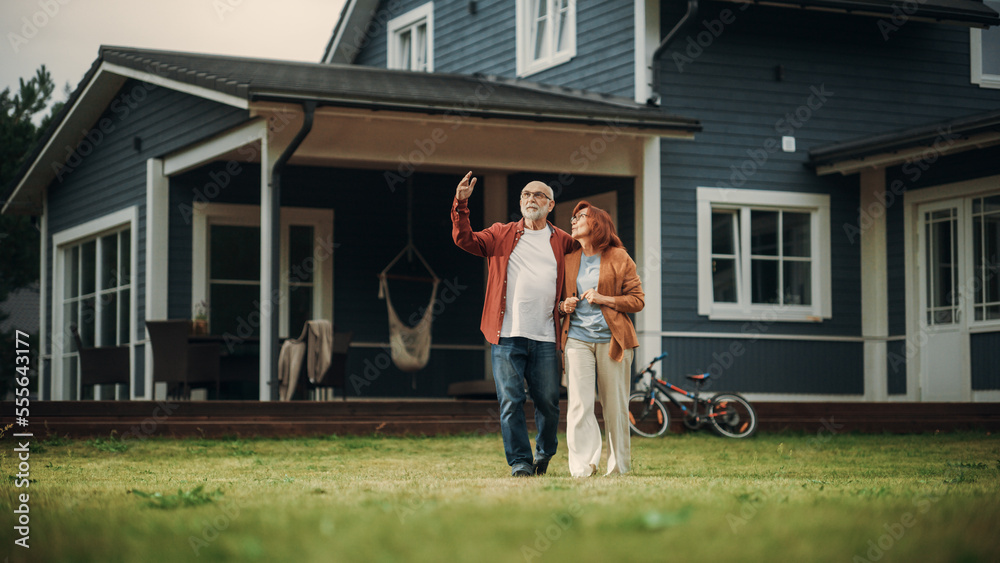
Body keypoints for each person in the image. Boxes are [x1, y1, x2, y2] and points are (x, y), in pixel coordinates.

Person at [451, 171, 575, 477]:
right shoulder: (501, 233)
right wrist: (461, 204)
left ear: (550, 204)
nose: (530, 199)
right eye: (525, 195)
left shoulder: (563, 241)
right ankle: (520, 462)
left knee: (547, 402)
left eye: (538, 195)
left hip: (547, 336)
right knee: (511, 401)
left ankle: (544, 453)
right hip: (506, 336)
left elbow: (591, 255)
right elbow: (465, 239)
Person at [559, 201, 644, 477]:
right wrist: (565, 305)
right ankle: (583, 467)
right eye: (572, 217)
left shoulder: (619, 257)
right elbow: (557, 300)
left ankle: (619, 466)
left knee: (615, 405)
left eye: (579, 217)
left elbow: (637, 300)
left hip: (613, 341)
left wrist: (602, 298)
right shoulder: (570, 258)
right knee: (579, 404)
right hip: (577, 340)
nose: (573, 221)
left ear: (596, 223)